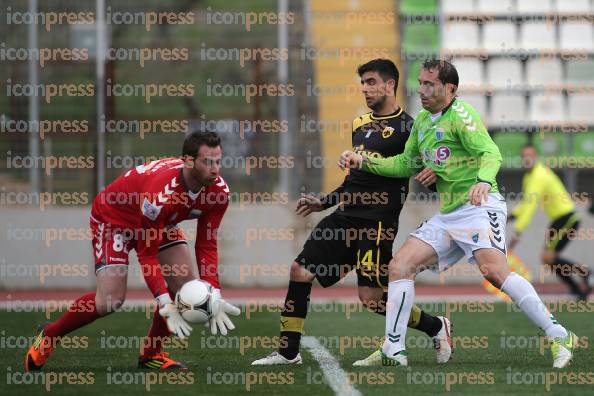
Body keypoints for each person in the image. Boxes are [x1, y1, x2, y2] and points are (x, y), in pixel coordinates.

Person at [339, 59, 577, 368]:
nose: (422, 90)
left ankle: (559, 334)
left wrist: (482, 181)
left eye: (429, 84)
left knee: (494, 271)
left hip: (480, 206)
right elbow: (404, 164)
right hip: (450, 214)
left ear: (450, 88)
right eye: (421, 83)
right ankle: (393, 350)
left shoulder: (462, 116)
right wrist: (364, 161)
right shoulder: (423, 122)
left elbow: (491, 153)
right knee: (400, 266)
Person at [251, 59, 452, 367]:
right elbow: (353, 180)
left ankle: (435, 326)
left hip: (377, 223)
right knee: (300, 271)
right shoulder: (360, 125)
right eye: (363, 83)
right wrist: (324, 202)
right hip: (344, 217)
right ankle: (288, 352)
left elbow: (426, 163)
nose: (365, 89)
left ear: (389, 85)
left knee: (371, 299)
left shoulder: (410, 127)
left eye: (371, 82)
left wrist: (437, 172)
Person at [25, 131, 240, 371]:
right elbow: (147, 255)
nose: (215, 169)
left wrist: (214, 291)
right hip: (114, 220)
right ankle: (50, 334)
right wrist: (163, 302)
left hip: (158, 223)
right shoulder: (160, 196)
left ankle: (151, 355)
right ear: (188, 161)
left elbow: (206, 244)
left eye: (218, 161)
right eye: (208, 162)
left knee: (185, 289)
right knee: (110, 300)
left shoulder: (219, 193)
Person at [508, 144, 591, 300]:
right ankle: (578, 288)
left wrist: (518, 230)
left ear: (536, 157)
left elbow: (531, 206)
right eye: (524, 156)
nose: (527, 159)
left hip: (567, 217)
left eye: (530, 156)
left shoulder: (539, 175)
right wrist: (511, 217)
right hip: (559, 219)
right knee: (549, 258)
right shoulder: (529, 177)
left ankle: (585, 275)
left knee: (548, 257)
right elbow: (527, 203)